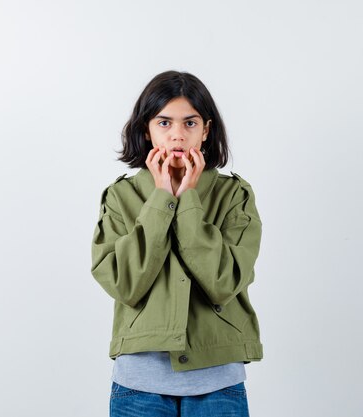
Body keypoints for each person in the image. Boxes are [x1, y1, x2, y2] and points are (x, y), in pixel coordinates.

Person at [90, 70, 263, 417]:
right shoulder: (121, 196)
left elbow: (224, 281)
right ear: (146, 130)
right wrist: (161, 199)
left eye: (190, 123)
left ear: (206, 130)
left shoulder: (234, 196)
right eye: (165, 123)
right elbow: (124, 283)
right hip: (139, 387)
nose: (178, 136)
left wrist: (187, 203)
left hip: (217, 382)